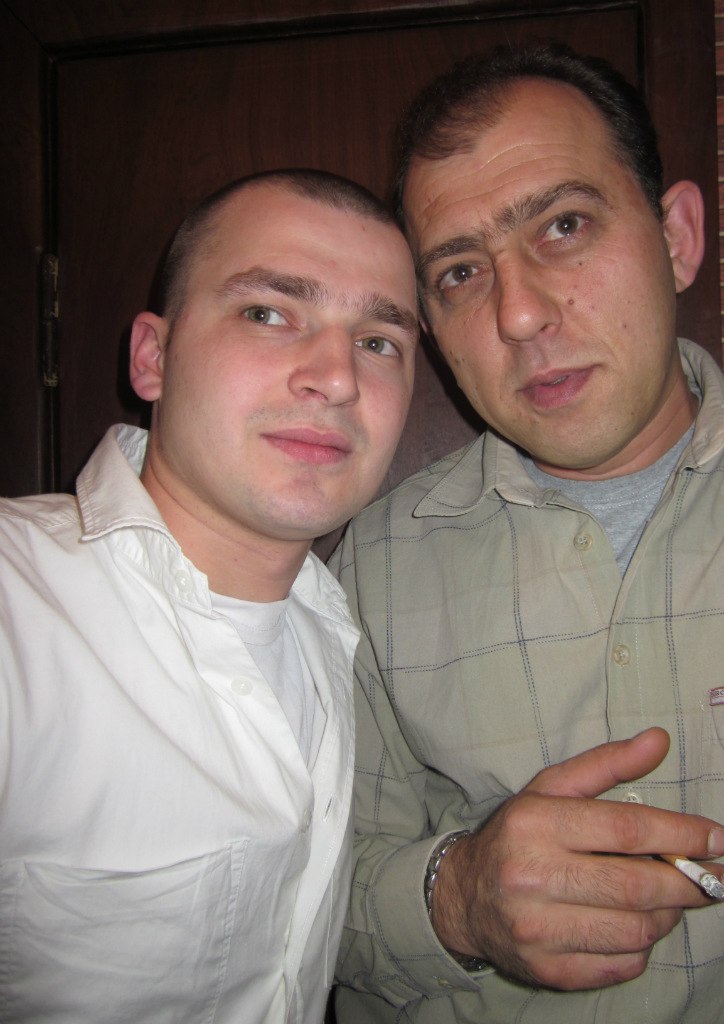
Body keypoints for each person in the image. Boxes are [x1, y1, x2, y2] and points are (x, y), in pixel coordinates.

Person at [330, 42, 724, 1023]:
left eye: (563, 226)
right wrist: (456, 897)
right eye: (460, 271)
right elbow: (303, 903)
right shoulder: (374, 567)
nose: (520, 312)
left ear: (677, 238)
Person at [0, 168, 419, 1024]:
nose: (337, 377)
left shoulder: (339, 626)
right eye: (268, 313)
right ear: (153, 358)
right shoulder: (17, 605)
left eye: (379, 342)